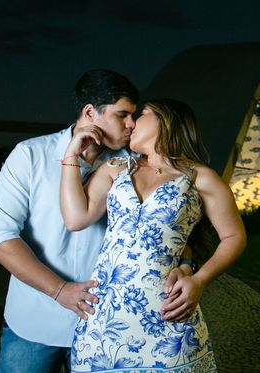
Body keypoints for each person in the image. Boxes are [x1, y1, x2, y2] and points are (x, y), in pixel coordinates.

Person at [0, 69, 193, 373]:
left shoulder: (133, 165)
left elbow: (168, 227)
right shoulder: (30, 155)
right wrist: (59, 290)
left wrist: (187, 268)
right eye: (122, 114)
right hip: (35, 322)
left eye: (134, 115)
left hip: (109, 327)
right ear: (90, 112)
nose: (131, 124)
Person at [59, 98, 247, 372]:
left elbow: (234, 236)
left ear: (167, 120)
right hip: (104, 320)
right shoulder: (115, 168)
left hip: (169, 319)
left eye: (142, 114)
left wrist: (199, 280)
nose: (131, 123)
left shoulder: (199, 177)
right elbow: (75, 219)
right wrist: (71, 156)